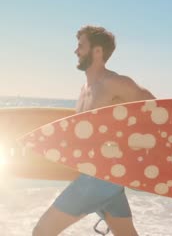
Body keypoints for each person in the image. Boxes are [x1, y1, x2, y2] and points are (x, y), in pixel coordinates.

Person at [32, 25, 155, 236]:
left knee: (43, 231)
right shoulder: (84, 89)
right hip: (101, 177)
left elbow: (155, 108)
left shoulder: (114, 83)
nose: (76, 51)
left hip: (100, 179)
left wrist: (136, 153)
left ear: (97, 51)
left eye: (81, 46)